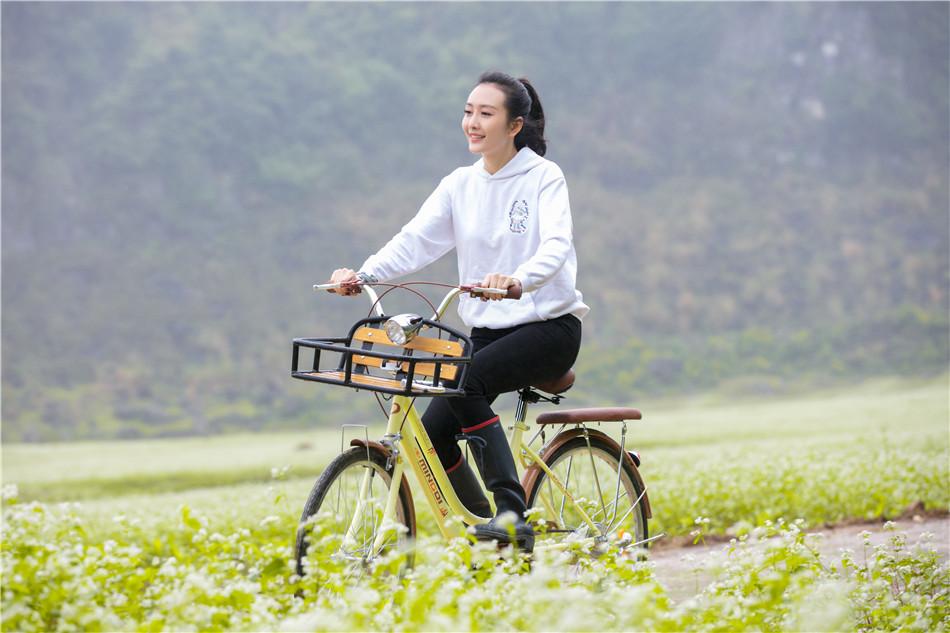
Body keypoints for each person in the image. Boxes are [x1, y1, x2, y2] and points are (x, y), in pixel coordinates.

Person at [327, 71, 588, 552]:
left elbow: (555, 246)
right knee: (433, 435)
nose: (472, 122)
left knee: (463, 379)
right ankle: (491, 537)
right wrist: (363, 275)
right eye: (468, 111)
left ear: (514, 125)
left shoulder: (543, 177)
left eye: (486, 113)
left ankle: (511, 510)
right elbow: (415, 241)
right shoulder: (459, 184)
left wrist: (518, 280)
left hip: (549, 328)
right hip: (488, 333)